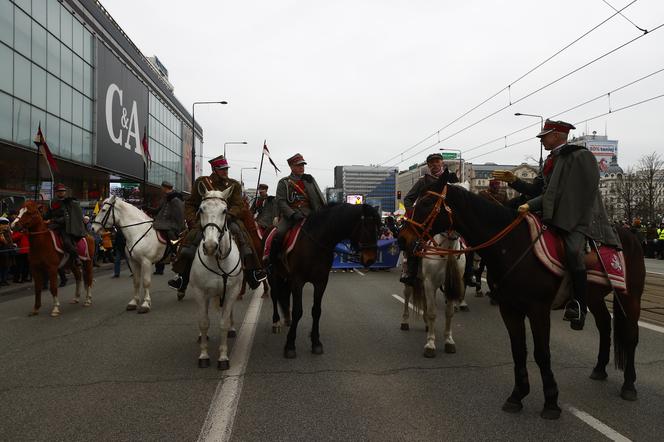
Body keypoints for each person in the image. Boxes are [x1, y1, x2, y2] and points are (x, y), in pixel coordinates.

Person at [493, 119, 618, 331]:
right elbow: (537, 190)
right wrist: (513, 180)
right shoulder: (552, 159)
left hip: (575, 216)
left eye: (545, 136)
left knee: (572, 251)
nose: (542, 140)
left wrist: (529, 205)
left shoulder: (578, 156)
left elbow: (561, 193)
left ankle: (579, 304)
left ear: (558, 135)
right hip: (553, 213)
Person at [169, 155, 267, 293]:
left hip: (228, 218)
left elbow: (239, 204)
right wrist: (191, 220)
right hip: (206, 219)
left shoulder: (234, 184)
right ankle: (182, 277)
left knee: (243, 235)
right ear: (214, 169)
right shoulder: (202, 182)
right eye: (222, 169)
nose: (225, 171)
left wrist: (229, 214)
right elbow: (191, 203)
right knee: (190, 238)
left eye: (226, 168)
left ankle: (253, 272)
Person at [400, 153, 459, 285]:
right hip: (429, 220)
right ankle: (411, 273)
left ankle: (469, 273)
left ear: (442, 163)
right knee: (413, 243)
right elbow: (408, 199)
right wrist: (412, 214)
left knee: (469, 241)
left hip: (449, 218)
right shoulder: (423, 181)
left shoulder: (452, 179)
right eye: (431, 163)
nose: (434, 164)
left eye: (437, 161)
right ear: (428, 166)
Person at [270, 153, 326, 265]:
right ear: (291, 167)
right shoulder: (284, 182)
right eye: (298, 165)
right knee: (279, 233)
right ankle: (274, 260)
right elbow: (281, 201)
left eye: (303, 165)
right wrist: (292, 214)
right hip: (291, 216)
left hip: (310, 214)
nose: (302, 167)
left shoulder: (309, 180)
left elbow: (319, 198)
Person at [44, 183, 86, 266]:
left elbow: (68, 217)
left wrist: (53, 220)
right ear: (56, 192)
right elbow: (48, 215)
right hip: (52, 226)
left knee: (67, 242)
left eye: (63, 191)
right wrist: (41, 216)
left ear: (65, 192)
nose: (61, 193)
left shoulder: (69, 202)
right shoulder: (52, 202)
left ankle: (76, 258)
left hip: (64, 227)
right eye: (59, 191)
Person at [150, 181, 185, 275]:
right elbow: (157, 210)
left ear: (165, 188)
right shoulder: (164, 198)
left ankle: (175, 252)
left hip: (170, 225)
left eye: (162, 187)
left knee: (171, 236)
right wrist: (147, 208)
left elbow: (179, 214)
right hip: (160, 223)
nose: (161, 189)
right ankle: (159, 267)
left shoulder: (176, 199)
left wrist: (179, 227)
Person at [0, 217, 13, 286]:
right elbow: (4, 242)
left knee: (6, 266)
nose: (5, 225)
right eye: (3, 224)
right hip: (2, 251)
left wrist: (12, 244)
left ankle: (4, 280)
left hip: (7, 251)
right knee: (1, 267)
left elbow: (9, 240)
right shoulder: (1, 233)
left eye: (6, 224)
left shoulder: (8, 232)